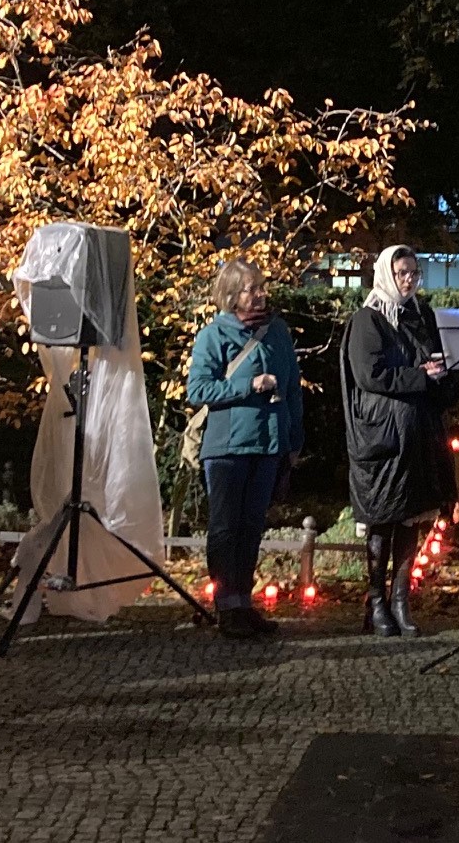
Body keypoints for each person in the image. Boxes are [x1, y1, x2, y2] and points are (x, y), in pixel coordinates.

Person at [341, 245, 458, 638]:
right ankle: (375, 603)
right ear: (386, 274)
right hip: (382, 439)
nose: (409, 279)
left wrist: (442, 375)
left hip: (418, 435)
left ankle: (400, 600)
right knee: (381, 519)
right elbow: (370, 375)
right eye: (402, 272)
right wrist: (420, 376)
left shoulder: (422, 316)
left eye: (414, 273)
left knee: (411, 516)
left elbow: (438, 358)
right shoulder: (368, 319)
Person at [186, 260, 304, 641]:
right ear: (232, 294)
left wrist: (293, 442)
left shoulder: (278, 333)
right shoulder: (214, 336)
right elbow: (198, 391)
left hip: (269, 445)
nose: (259, 294)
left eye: (261, 287)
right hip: (226, 448)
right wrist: (248, 385)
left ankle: (244, 603)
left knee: (252, 527)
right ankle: (226, 606)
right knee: (224, 529)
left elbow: (294, 390)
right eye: (251, 288)